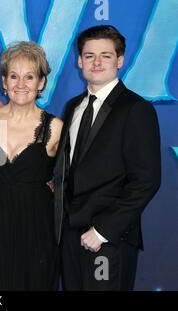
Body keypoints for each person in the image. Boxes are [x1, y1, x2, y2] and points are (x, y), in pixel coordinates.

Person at [54, 25, 161, 290]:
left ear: (120, 60)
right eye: (89, 56)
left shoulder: (136, 109)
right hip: (70, 235)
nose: (97, 62)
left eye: (106, 55)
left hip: (108, 239)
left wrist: (103, 230)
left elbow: (147, 179)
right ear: (79, 61)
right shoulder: (74, 107)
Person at [0, 41, 63, 290]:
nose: (20, 84)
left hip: (37, 230)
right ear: (4, 82)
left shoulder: (56, 127)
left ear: (41, 84)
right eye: (13, 76)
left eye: (29, 77)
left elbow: (73, 178)